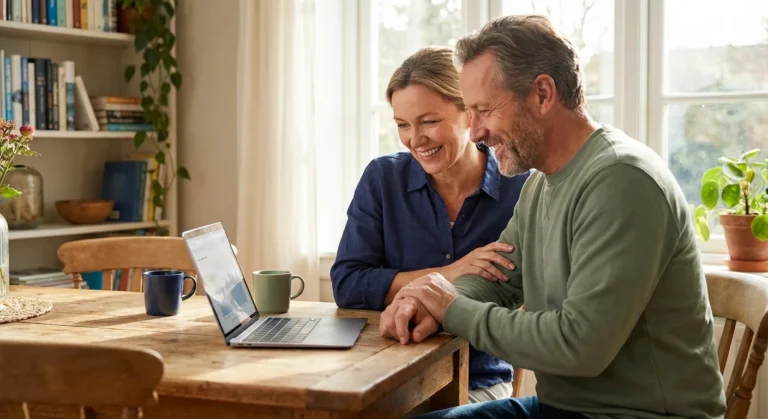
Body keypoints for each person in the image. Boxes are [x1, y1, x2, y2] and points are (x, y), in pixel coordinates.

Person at [380, 15, 727, 419]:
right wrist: (426, 298)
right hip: (564, 409)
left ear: (542, 94)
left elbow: (579, 346)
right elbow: (500, 277)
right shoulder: (540, 185)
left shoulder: (621, 180)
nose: (474, 133)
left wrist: (451, 308)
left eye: (484, 110)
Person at [330, 46, 530, 403]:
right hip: (386, 376)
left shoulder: (520, 187)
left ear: (469, 114)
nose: (414, 139)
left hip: (479, 381)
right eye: (402, 125)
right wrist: (450, 273)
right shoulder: (382, 180)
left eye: (428, 121)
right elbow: (348, 283)